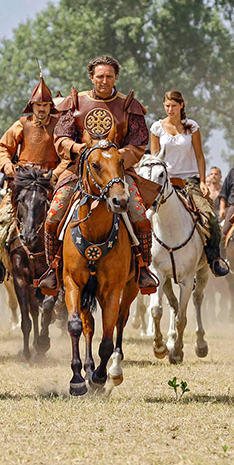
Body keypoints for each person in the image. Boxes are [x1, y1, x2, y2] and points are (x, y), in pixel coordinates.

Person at [37, 55, 158, 295]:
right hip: (79, 172)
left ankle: (143, 268)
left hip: (117, 173)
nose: (104, 81)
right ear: (91, 77)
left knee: (140, 216)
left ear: (116, 78)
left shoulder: (128, 105)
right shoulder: (76, 102)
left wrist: (113, 156)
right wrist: (78, 149)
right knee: (53, 216)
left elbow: (138, 144)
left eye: (109, 76)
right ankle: (53, 269)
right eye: (100, 76)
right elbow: (60, 137)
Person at [149, 90, 229, 277]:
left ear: (181, 105)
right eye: (167, 106)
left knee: (210, 219)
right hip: (164, 182)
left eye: (174, 106)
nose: (170, 109)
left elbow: (200, 156)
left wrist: (202, 181)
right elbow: (154, 160)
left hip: (189, 182)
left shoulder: (191, 127)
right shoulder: (156, 128)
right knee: (143, 217)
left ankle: (213, 259)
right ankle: (142, 262)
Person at [0, 76, 62, 282]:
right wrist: (7, 166)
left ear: (50, 107)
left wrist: (55, 175)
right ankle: (0, 264)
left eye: (45, 105)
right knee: (2, 220)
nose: (42, 109)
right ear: (32, 106)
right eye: (38, 105)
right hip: (23, 181)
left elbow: (67, 156)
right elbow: (3, 147)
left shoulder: (59, 126)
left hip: (50, 181)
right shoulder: (21, 124)